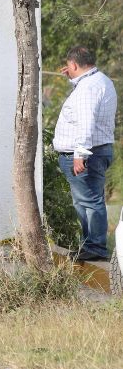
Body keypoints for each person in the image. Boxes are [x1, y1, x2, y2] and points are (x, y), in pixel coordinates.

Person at [53, 46, 117, 262]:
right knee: (87, 201)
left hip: (84, 154)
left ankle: (95, 248)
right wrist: (73, 79)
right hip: (99, 150)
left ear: (73, 64)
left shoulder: (87, 89)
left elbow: (86, 122)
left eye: (70, 67)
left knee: (89, 202)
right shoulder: (100, 81)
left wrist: (80, 154)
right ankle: (91, 245)